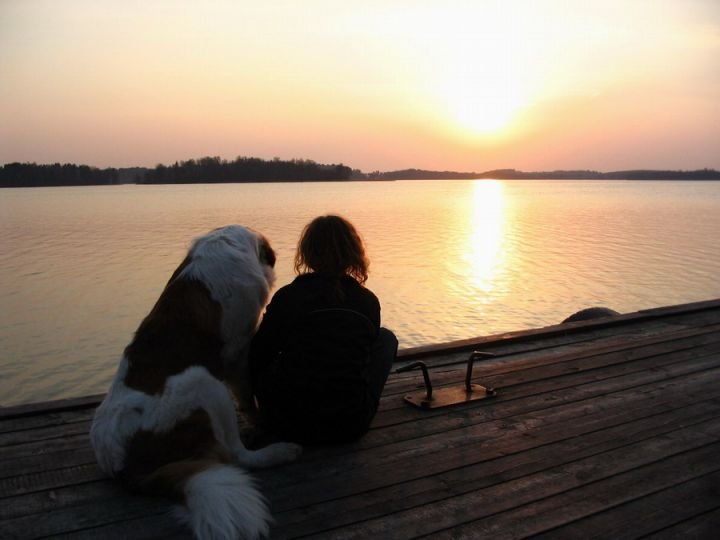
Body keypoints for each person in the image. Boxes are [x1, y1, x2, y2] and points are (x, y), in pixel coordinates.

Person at [249, 215, 398, 445]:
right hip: (350, 425)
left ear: (307, 253)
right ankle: (351, 400)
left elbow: (257, 358)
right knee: (386, 340)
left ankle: (273, 413)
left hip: (289, 424)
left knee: (265, 348)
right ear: (353, 253)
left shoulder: (288, 297)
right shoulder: (367, 301)